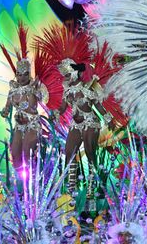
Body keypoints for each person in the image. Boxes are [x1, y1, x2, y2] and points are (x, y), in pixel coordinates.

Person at [55, 59, 114, 193]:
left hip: (90, 123)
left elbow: (98, 105)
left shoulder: (87, 89)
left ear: (75, 73)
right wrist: (56, 113)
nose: (66, 78)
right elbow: (63, 108)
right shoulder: (67, 92)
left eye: (68, 74)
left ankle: (91, 188)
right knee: (69, 151)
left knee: (90, 153)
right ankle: (71, 186)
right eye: (64, 75)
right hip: (76, 124)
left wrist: (108, 119)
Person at [0, 57, 44, 172]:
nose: (22, 77)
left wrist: (33, 89)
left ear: (29, 74)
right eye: (19, 74)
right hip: (19, 126)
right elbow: (7, 108)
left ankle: (32, 184)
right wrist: (4, 112)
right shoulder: (12, 91)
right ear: (16, 75)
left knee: (26, 153)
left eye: (25, 74)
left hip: (32, 125)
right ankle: (20, 186)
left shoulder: (34, 89)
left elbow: (34, 105)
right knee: (15, 154)